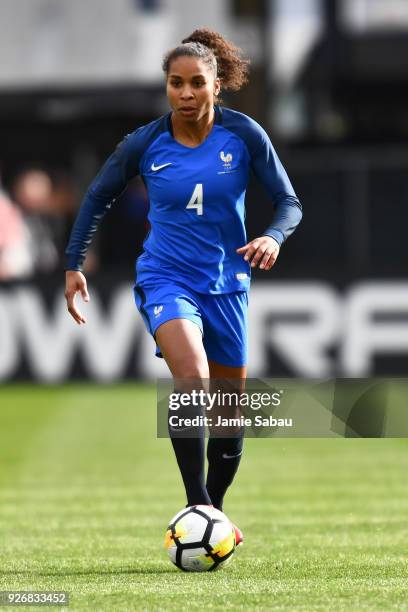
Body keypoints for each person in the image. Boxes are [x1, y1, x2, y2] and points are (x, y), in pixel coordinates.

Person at [64, 28, 302, 546]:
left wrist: (273, 236)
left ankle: (212, 513)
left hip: (228, 285)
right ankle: (197, 502)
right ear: (166, 87)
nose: (186, 94)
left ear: (217, 86)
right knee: (191, 378)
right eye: (176, 84)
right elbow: (98, 196)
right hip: (166, 276)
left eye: (197, 83)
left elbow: (289, 202)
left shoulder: (244, 136)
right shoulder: (146, 142)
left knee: (228, 411)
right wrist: (73, 261)